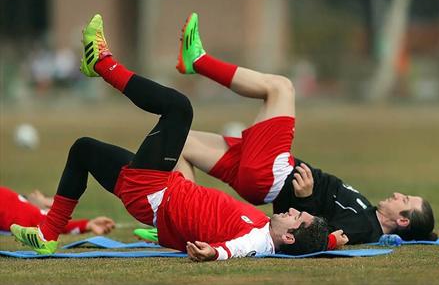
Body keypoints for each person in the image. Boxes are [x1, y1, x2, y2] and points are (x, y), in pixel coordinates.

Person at [11, 14, 331, 260]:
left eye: (294, 217)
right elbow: (314, 239)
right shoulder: (263, 226)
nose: (290, 210)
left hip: (157, 193)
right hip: (160, 191)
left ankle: (102, 63)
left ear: (288, 237)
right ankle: (48, 234)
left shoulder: (259, 241)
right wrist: (331, 240)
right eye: (295, 211)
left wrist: (213, 254)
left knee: (179, 108)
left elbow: (236, 249)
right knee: (83, 151)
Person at [169, 14, 436, 245]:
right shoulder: (367, 212)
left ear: (402, 220)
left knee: (280, 88)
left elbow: (314, 237)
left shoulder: (364, 228)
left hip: (272, 174)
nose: (399, 194)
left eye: (406, 200)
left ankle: (198, 61)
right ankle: (182, 227)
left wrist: (305, 199)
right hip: (266, 175)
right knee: (179, 143)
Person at [0, 186, 115, 235]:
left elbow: (56, 224)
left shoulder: (34, 214)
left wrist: (87, 224)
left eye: (44, 196)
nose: (35, 193)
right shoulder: (21, 203)